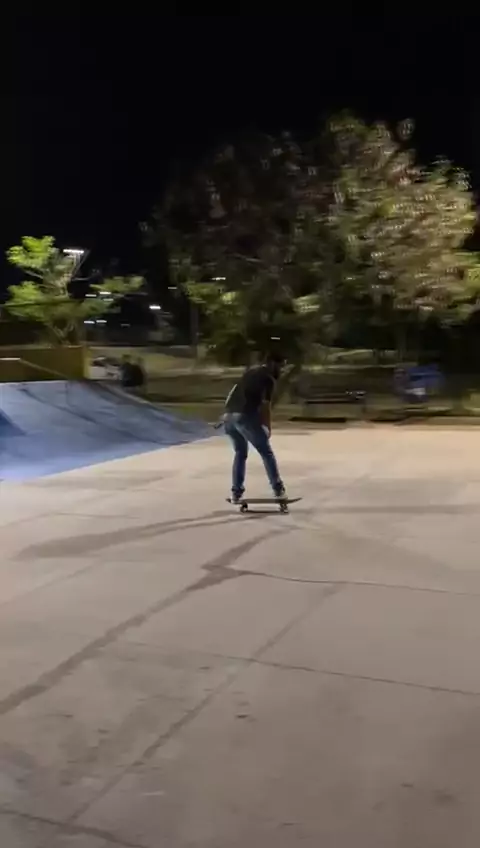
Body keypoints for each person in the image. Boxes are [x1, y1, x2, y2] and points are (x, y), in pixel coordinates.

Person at [223, 352, 287, 503]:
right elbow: (266, 405)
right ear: (272, 363)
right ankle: (278, 490)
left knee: (240, 453)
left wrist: (228, 414)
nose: (281, 370)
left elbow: (232, 393)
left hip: (229, 417)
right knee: (266, 452)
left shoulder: (250, 372)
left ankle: (236, 493)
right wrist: (267, 426)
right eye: (281, 366)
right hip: (245, 417)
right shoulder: (268, 379)